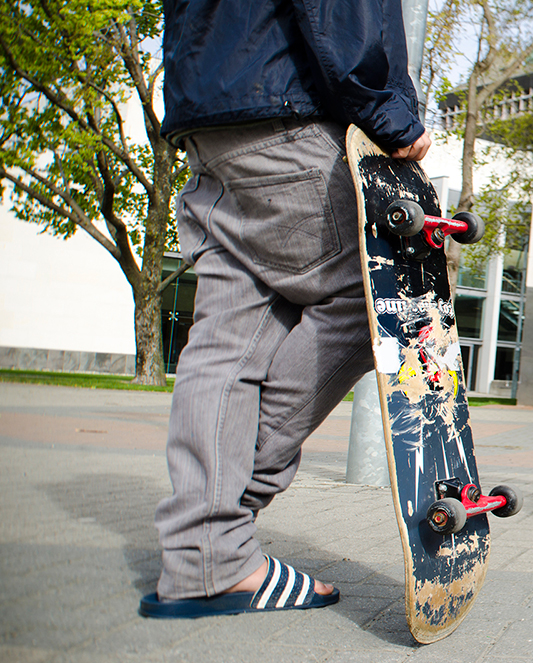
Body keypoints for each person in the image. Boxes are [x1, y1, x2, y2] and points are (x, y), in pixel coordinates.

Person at [139, 0, 430, 618]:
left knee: (227, 338)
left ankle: (203, 558)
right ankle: (231, 502)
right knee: (378, 296)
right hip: (287, 116)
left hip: (210, 124)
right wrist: (391, 114)